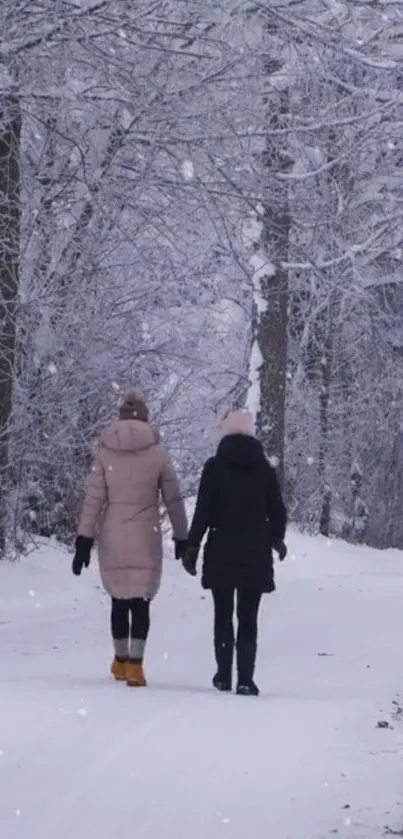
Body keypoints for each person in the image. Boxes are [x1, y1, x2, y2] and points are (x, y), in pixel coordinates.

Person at [72, 389, 188, 687]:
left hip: (113, 532)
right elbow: (173, 497)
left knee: (119, 598)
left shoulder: (105, 452)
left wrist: (84, 538)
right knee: (141, 600)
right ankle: (136, 665)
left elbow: (93, 499)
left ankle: (120, 660)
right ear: (145, 416)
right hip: (145, 533)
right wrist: (182, 535)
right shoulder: (158, 453)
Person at [182, 409, 287, 696]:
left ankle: (223, 675)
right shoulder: (264, 469)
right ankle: (246, 679)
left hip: (221, 550)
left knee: (223, 615)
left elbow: (203, 510)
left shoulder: (214, 468)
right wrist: (276, 538)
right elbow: (277, 510)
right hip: (255, 551)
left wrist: (192, 546)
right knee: (249, 618)